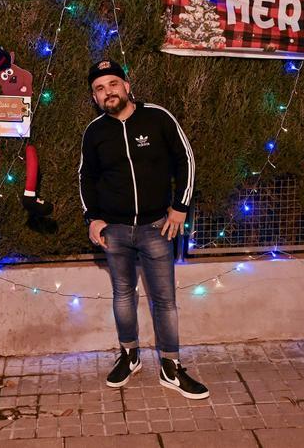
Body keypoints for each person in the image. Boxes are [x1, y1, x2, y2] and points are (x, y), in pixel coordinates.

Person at [78, 59, 209, 399]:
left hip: (157, 228)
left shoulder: (158, 117)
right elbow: (86, 178)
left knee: (164, 301)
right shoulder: (95, 132)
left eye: (112, 84)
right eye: (100, 89)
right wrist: (92, 217)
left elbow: (186, 160)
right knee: (123, 296)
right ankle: (129, 354)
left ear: (126, 84)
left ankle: (171, 366)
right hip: (115, 232)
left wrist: (180, 207)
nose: (108, 92)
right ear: (95, 97)